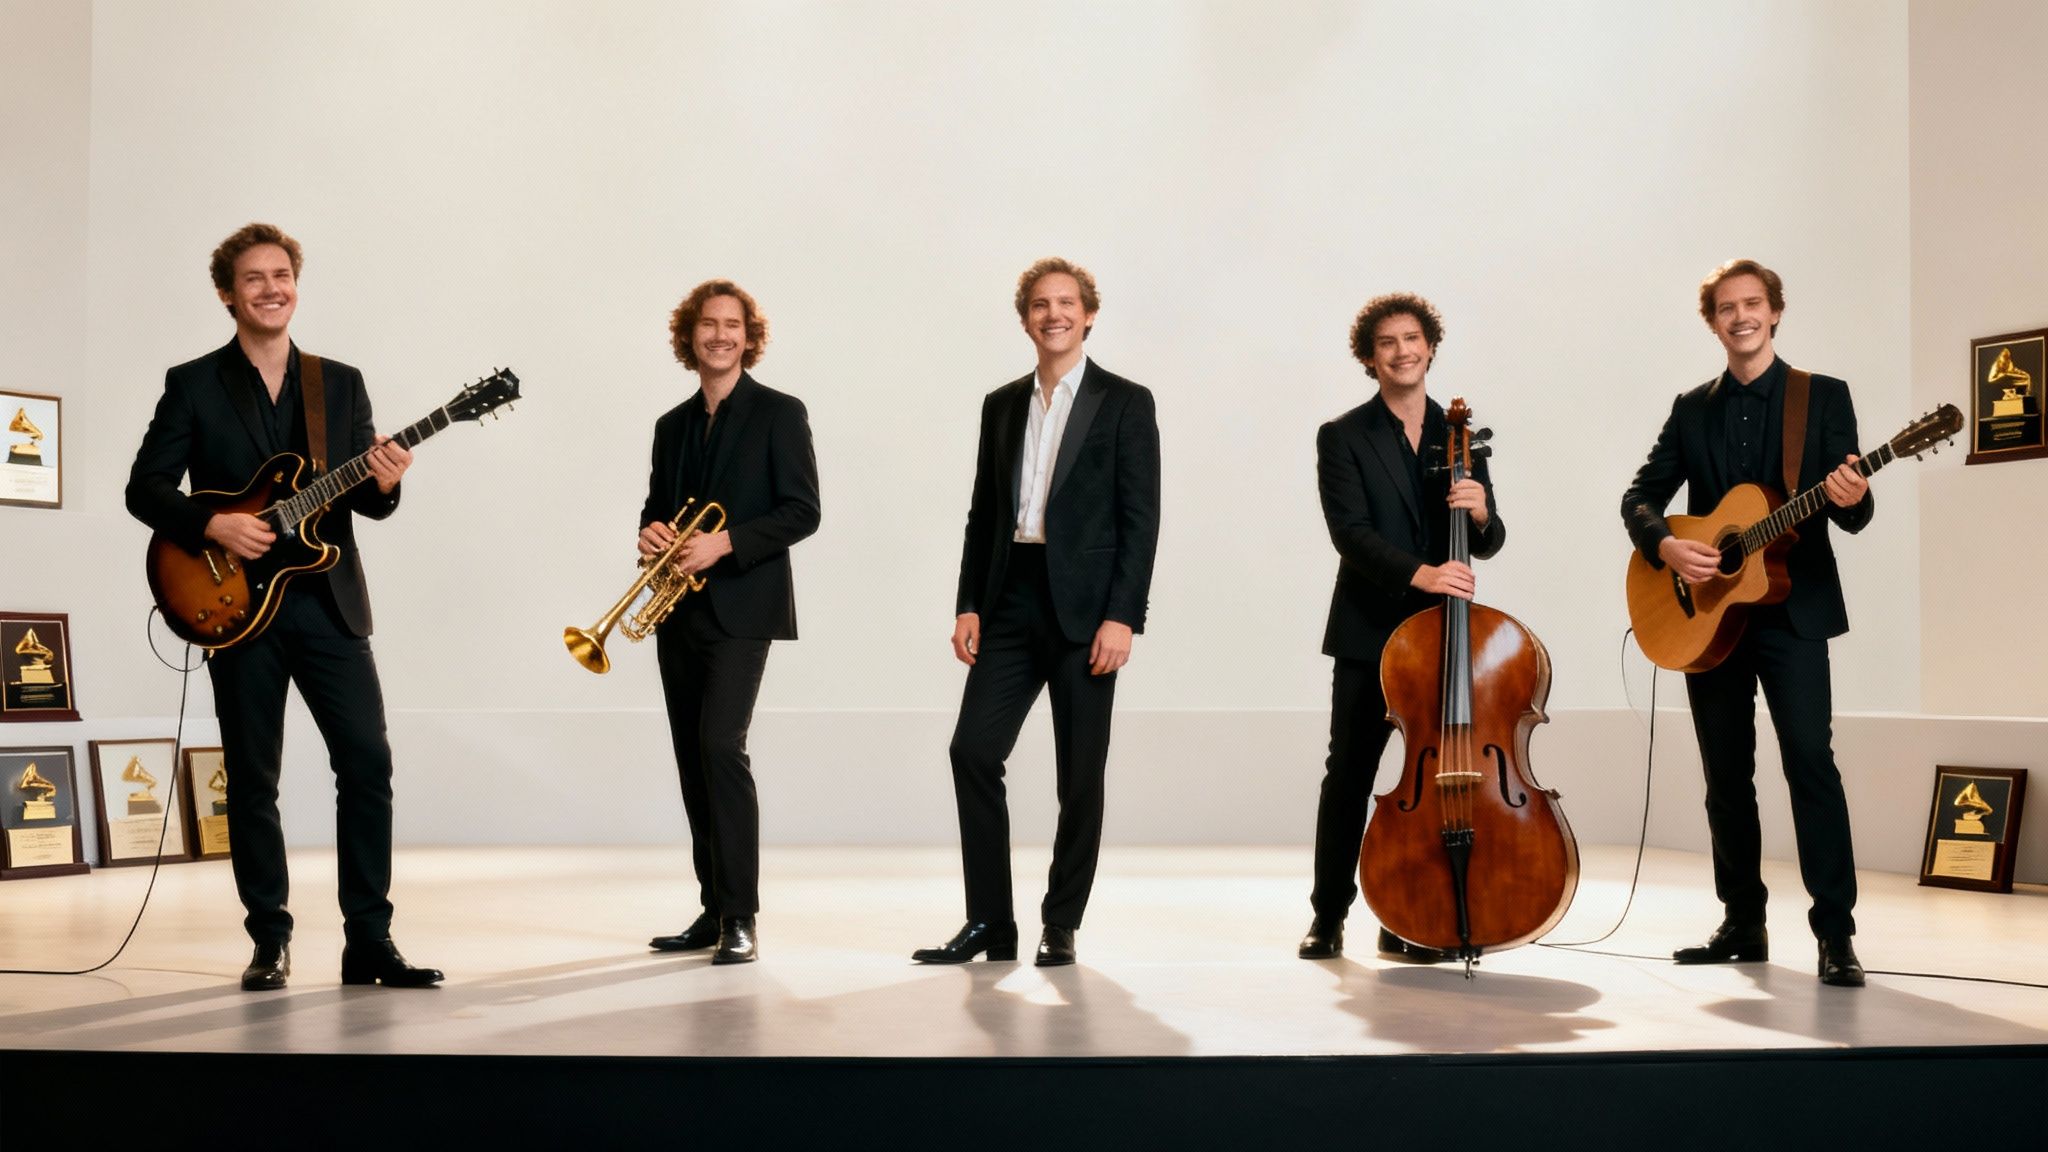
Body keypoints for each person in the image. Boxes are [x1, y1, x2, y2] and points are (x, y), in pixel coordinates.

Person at [126, 222, 440, 990]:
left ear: (296, 284)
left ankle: (370, 940)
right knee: (252, 777)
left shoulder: (339, 382)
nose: (272, 288)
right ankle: (270, 938)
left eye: (282, 275)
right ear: (228, 295)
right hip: (235, 606)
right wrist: (211, 521)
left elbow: (367, 505)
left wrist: (389, 480)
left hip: (329, 605)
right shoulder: (193, 382)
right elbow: (145, 489)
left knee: (368, 764)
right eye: (254, 279)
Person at [1619, 258, 1871, 987]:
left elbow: (1852, 514)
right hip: (1710, 617)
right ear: (1713, 322)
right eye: (1726, 307)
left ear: (1776, 311)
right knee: (1725, 774)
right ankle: (1742, 923)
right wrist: (1666, 544)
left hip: (1793, 609)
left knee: (1810, 765)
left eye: (1753, 303)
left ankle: (1835, 934)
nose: (1741, 317)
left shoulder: (1821, 398)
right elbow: (1641, 494)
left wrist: (1851, 495)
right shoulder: (1691, 407)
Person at [912, 258, 1160, 968]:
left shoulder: (1124, 402)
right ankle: (991, 920)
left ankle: (1061, 920)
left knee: (1079, 776)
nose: (1054, 314)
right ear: (1026, 319)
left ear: (1088, 315)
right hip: (1010, 598)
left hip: (1089, 612)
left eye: (1067, 304)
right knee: (972, 751)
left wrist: (1124, 616)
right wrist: (968, 602)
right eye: (1041, 305)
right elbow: (983, 514)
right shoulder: (1001, 404)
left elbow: (1141, 520)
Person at [1297, 293, 1505, 963]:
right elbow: (1350, 535)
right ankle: (1329, 915)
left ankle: (1409, 917)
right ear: (1370, 357)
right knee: (1350, 776)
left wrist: (1478, 514)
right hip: (1369, 633)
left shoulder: (1461, 433)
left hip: (1444, 639)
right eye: (1386, 342)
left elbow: (1491, 538)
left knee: (1435, 782)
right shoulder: (1343, 435)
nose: (1402, 350)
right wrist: (1422, 574)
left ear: (1431, 347)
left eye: (1411, 338)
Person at [640, 280, 820, 965]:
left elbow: (803, 510)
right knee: (693, 759)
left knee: (721, 746)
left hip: (744, 608)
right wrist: (652, 534)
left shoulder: (780, 413)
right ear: (690, 336)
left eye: (732, 326)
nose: (719, 335)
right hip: (677, 610)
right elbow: (656, 504)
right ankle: (712, 907)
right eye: (707, 325)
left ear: (749, 338)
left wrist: (726, 543)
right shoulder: (671, 425)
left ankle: (741, 916)